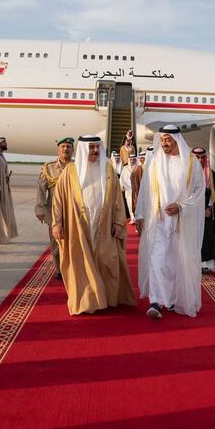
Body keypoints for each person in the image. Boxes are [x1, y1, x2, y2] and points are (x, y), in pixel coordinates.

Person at [51, 135, 137, 315]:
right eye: (91, 148)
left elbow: (117, 200)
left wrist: (118, 222)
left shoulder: (107, 169)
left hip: (104, 225)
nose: (95, 151)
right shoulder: (70, 171)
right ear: (83, 149)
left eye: (97, 147)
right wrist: (57, 223)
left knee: (107, 259)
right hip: (78, 225)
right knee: (81, 262)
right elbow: (58, 199)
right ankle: (87, 302)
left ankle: (107, 298)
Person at [135, 125, 205, 319]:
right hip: (158, 220)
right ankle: (156, 302)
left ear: (176, 140)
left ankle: (173, 299)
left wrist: (181, 206)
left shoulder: (191, 162)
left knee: (177, 262)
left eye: (167, 140)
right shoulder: (155, 161)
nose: (164, 143)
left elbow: (199, 191)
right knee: (157, 260)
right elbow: (145, 190)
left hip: (182, 221)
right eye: (162, 140)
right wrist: (140, 214)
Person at [36, 137, 74, 277]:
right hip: (53, 210)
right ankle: (59, 269)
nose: (65, 149)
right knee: (56, 241)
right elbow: (41, 189)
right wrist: (39, 209)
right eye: (63, 146)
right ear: (58, 150)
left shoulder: (77, 167)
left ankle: (71, 267)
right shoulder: (48, 167)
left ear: (73, 150)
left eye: (68, 147)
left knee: (73, 240)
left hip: (73, 211)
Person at [193, 147, 215, 273]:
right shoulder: (188, 173)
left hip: (207, 212)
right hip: (193, 212)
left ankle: (206, 263)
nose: (200, 160)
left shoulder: (210, 173)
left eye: (202, 158)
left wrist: (212, 210)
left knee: (207, 237)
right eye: (197, 158)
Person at [0, 136, 18, 241]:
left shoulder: (1, 155)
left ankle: (5, 234)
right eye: (4, 142)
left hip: (4, 188)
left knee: (5, 213)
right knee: (0, 213)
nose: (6, 144)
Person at [120, 154, 137, 219]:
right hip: (128, 189)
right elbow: (122, 178)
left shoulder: (138, 167)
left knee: (136, 203)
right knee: (129, 204)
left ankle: (137, 217)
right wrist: (122, 185)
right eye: (131, 159)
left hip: (136, 189)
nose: (132, 161)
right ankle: (132, 218)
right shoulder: (125, 168)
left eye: (133, 159)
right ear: (129, 160)